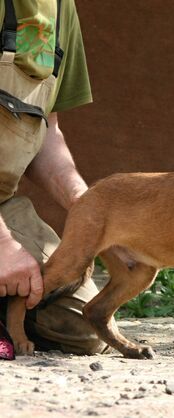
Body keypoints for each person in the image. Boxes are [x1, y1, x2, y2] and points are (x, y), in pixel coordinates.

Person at [0, 0, 112, 356]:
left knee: (85, 325)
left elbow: (46, 129)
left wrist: (91, 210)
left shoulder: (61, 9)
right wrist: (2, 245)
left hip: (3, 203)